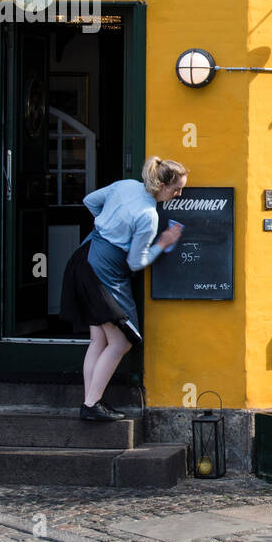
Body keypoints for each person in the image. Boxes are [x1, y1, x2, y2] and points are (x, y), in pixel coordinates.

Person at [60, 156, 188, 420]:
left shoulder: (126, 185)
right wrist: (163, 243)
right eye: (176, 189)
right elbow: (135, 262)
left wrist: (107, 226)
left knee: (98, 339)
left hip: (84, 257)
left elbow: (90, 201)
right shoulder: (148, 215)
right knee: (122, 341)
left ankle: (90, 400)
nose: (179, 194)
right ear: (162, 184)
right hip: (103, 272)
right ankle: (91, 405)